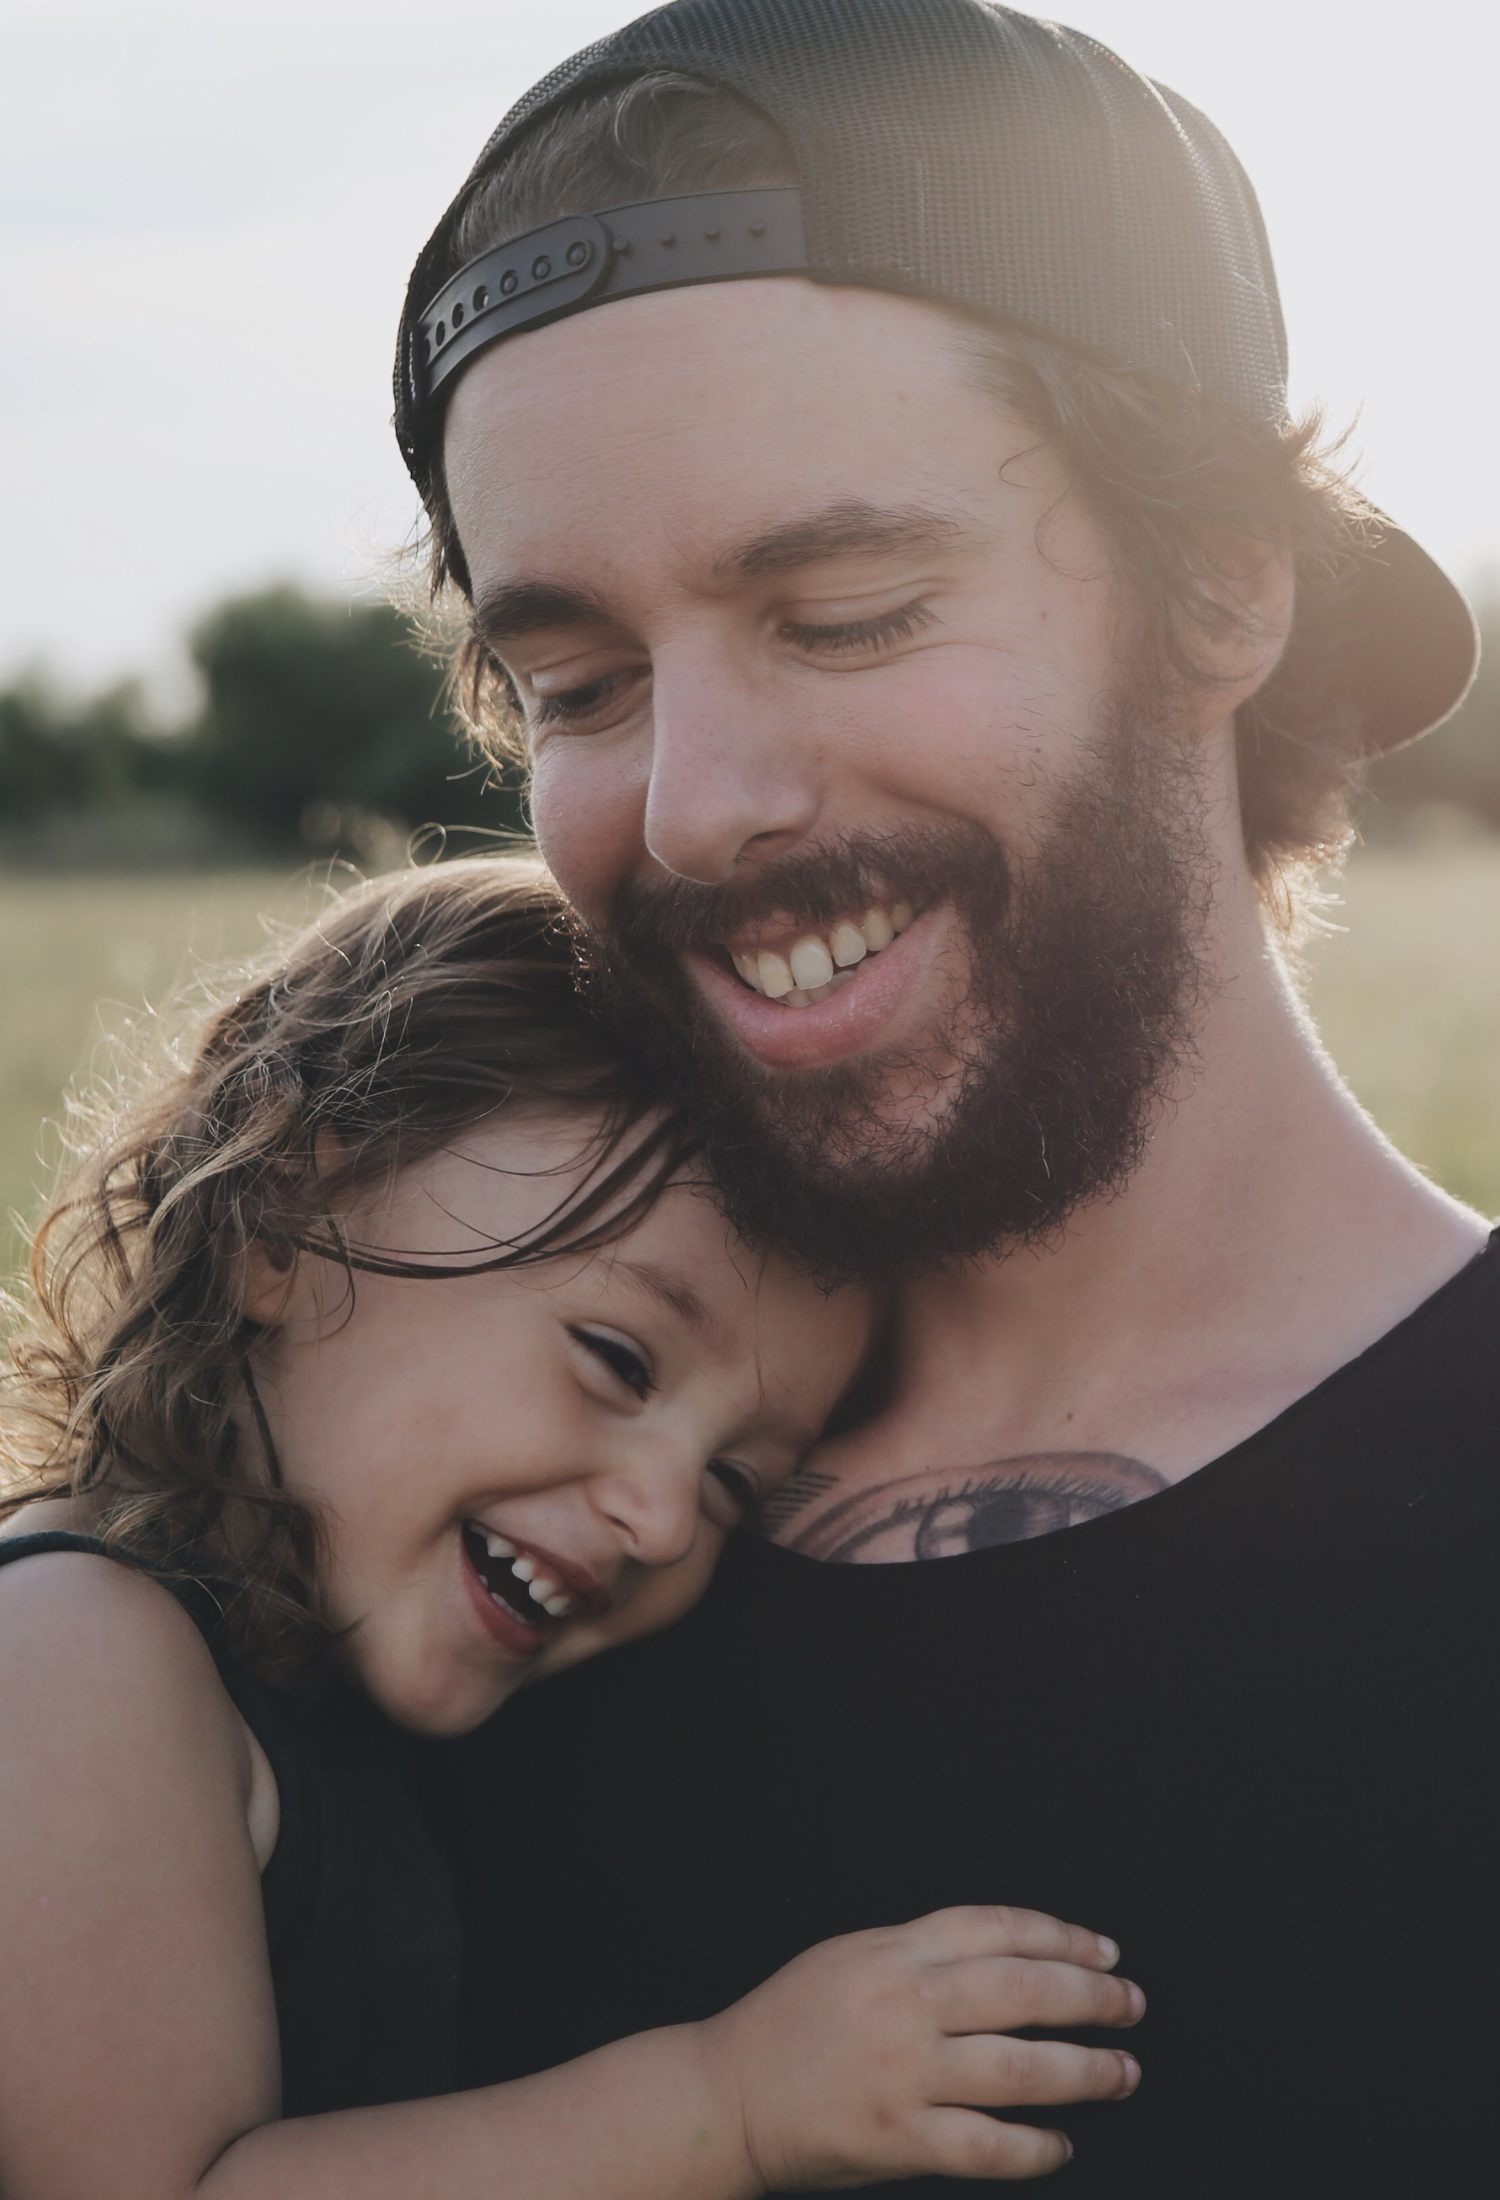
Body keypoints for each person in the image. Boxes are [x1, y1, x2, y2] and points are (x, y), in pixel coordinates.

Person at [391, 3, 1500, 2193]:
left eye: (848, 608)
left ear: (1224, 588)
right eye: (582, 685)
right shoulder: (434, 1504)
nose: (693, 808)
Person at [0, 854, 1148, 2198]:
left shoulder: (299, 1694)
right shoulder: (75, 1650)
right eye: (616, 1358)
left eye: (735, 1483)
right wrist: (730, 2104)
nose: (664, 1516)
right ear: (280, 1218)